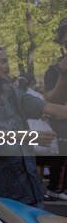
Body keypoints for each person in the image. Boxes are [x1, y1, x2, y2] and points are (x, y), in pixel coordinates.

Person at [0, 45, 67, 208]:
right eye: (2, 61)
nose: (7, 66)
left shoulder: (11, 92)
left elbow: (46, 107)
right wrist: (26, 136)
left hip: (29, 188)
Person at [44, 18, 67, 200]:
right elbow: (53, 100)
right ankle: (56, 188)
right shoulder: (54, 70)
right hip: (61, 123)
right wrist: (63, 75)